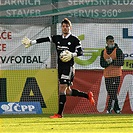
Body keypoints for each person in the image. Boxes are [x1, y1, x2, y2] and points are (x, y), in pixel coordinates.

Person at [22, 18, 95, 118]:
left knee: (61, 89)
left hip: (69, 67)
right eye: (63, 26)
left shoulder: (74, 39)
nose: (65, 28)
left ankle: (59, 114)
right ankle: (87, 96)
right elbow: (45, 39)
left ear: (70, 27)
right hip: (60, 67)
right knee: (67, 91)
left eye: (67, 26)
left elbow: (80, 52)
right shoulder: (57, 38)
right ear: (61, 27)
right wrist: (31, 42)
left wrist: (72, 55)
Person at [100, 35, 124, 114]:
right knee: (110, 92)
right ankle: (117, 109)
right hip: (107, 75)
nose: (112, 43)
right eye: (110, 41)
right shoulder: (103, 52)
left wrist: (112, 62)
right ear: (107, 42)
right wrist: (107, 62)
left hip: (116, 74)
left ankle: (109, 108)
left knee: (113, 91)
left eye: (112, 41)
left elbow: (121, 62)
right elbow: (102, 64)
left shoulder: (118, 51)